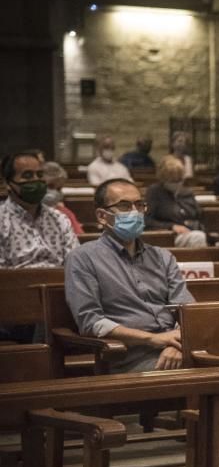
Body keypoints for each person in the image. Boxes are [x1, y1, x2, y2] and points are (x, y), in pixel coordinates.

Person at [64, 178, 193, 372]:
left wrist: (176, 344)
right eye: (124, 206)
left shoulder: (162, 256)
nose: (135, 212)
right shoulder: (83, 258)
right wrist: (153, 339)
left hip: (175, 350)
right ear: (102, 216)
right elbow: (91, 322)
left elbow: (188, 310)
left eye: (139, 205)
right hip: (128, 357)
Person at [1, 152, 78, 268]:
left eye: (40, 174)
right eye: (27, 175)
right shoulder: (2, 220)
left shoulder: (59, 219)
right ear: (8, 183)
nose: (36, 180)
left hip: (60, 284)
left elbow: (76, 264)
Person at [145, 156, 207, 248]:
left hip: (192, 231)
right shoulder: (154, 192)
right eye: (172, 181)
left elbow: (197, 214)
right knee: (198, 238)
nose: (176, 183)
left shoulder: (187, 192)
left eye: (179, 180)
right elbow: (147, 221)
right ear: (163, 179)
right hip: (169, 236)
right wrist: (172, 226)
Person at [42, 161, 84, 234]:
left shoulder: (65, 213)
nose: (54, 193)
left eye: (59, 189)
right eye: (50, 186)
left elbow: (81, 239)